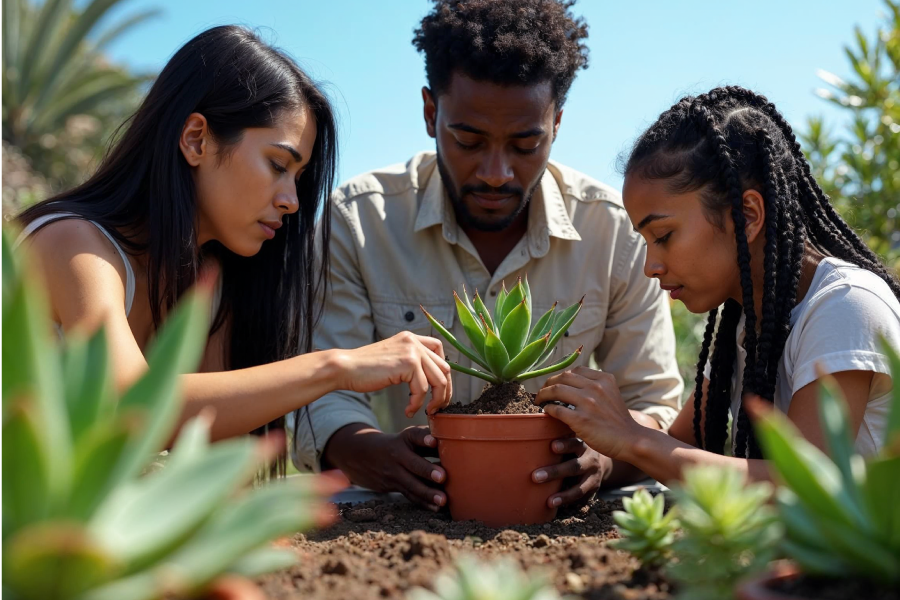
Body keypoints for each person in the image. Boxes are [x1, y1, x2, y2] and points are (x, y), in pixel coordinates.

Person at [289, 0, 683, 510]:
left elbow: (651, 401)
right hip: (399, 514)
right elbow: (321, 392)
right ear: (431, 113)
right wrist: (373, 453)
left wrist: (607, 461)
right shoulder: (357, 221)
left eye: (524, 145)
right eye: (469, 140)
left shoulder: (612, 230)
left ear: (557, 123)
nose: (496, 172)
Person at [16, 26, 451, 463]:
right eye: (277, 164)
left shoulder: (210, 284)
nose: (291, 201)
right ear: (196, 139)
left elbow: (216, 462)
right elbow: (134, 406)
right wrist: (337, 367)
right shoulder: (73, 243)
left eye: (298, 179)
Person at [536, 87, 900, 482]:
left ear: (746, 215)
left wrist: (632, 439)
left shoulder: (845, 305)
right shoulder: (747, 321)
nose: (650, 267)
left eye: (663, 236)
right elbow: (677, 444)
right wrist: (600, 460)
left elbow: (807, 487)